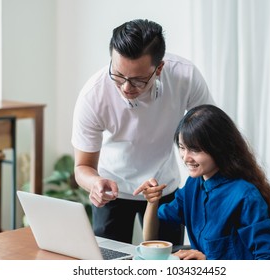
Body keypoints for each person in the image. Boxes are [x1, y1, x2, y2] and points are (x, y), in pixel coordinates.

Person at [71, 19, 214, 245]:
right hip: (113, 192)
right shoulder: (93, 95)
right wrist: (95, 183)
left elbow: (211, 133)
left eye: (138, 80)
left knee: (167, 261)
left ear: (159, 69)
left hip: (164, 189)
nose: (126, 87)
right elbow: (82, 167)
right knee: (110, 263)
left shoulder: (185, 77)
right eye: (118, 75)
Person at [134, 104, 270, 260]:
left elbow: (269, 261)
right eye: (182, 147)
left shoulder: (245, 196)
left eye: (194, 150)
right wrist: (152, 202)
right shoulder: (193, 186)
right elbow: (150, 240)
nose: (186, 158)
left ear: (218, 148)